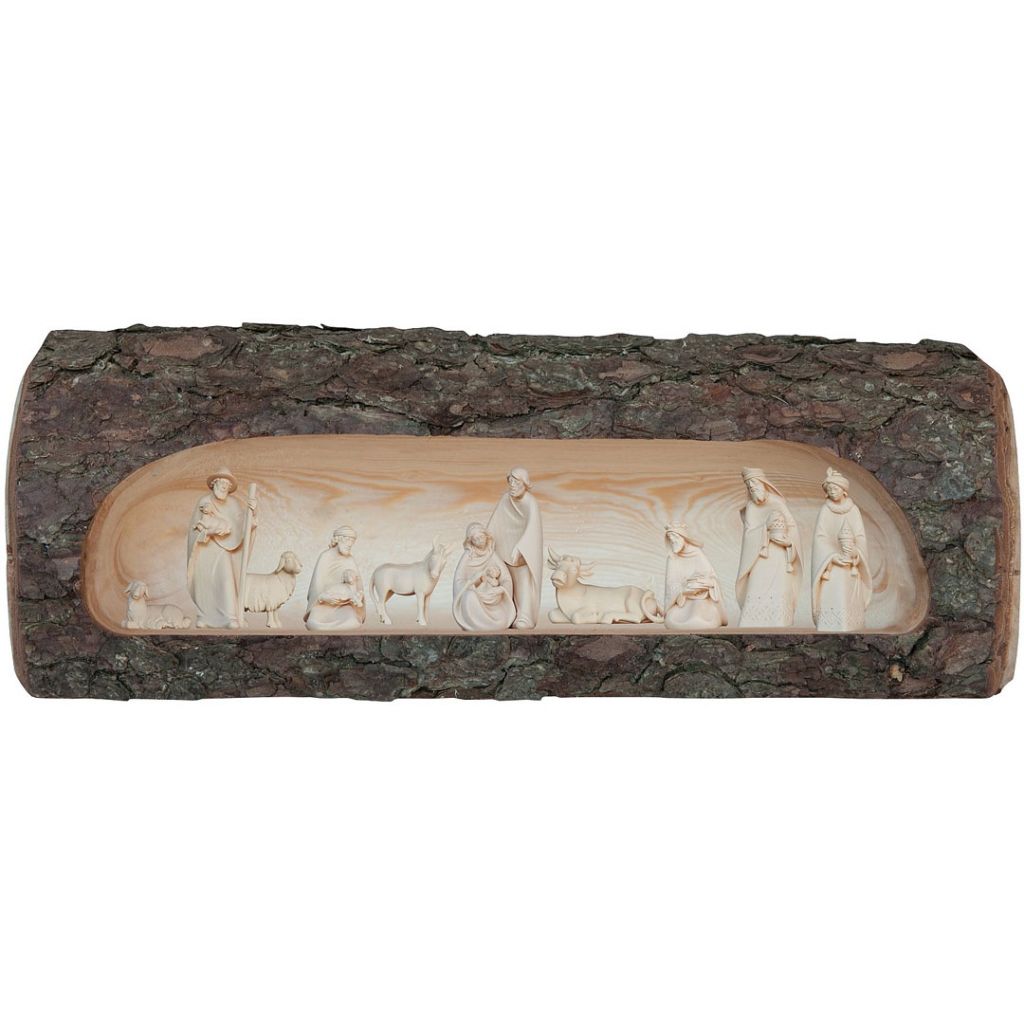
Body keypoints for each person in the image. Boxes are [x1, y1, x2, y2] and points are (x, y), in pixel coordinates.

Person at [186, 468, 257, 628]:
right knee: (204, 581)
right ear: (214, 483)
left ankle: (230, 617)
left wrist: (252, 512)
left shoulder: (233, 503)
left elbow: (242, 524)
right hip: (205, 549)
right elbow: (194, 530)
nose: (224, 486)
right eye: (222, 482)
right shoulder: (204, 501)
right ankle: (204, 616)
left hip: (224, 549)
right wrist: (205, 533)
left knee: (225, 580)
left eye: (227, 484)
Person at [735, 467, 801, 627]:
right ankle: (752, 619)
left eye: (755, 485)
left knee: (780, 584)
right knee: (757, 582)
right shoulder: (752, 507)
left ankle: (780, 619)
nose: (753, 489)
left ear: (764, 484)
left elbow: (792, 527)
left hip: (778, 552)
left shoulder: (776, 502)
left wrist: (787, 541)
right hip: (760, 554)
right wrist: (766, 528)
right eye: (749, 487)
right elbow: (749, 533)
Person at [811, 467, 872, 631]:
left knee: (848, 593)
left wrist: (854, 552)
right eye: (829, 489)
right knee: (834, 589)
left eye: (835, 488)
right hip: (832, 565)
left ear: (844, 490)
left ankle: (852, 622)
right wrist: (832, 556)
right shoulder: (825, 510)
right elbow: (820, 538)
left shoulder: (853, 510)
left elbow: (860, 537)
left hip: (850, 564)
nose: (832, 492)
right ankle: (829, 622)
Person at [486, 467, 543, 629]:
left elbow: (533, 528)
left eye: (516, 482)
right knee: (507, 584)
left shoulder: (530, 502)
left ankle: (525, 616)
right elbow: (495, 523)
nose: (512, 485)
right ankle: (508, 615)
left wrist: (521, 546)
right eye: (510, 481)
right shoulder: (505, 499)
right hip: (504, 550)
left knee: (523, 583)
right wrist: (486, 540)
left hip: (522, 554)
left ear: (525, 484)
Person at [663, 520, 727, 630]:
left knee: (699, 617)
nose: (673, 543)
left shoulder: (697, 553)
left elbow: (711, 578)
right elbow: (671, 585)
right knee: (672, 619)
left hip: (701, 598)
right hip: (682, 601)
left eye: (675, 539)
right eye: (671, 541)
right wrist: (684, 590)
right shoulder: (672, 558)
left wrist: (704, 584)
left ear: (683, 538)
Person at [452, 522, 515, 631]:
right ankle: (478, 623)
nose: (479, 541)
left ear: (486, 536)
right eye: (475, 539)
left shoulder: (492, 555)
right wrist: (472, 582)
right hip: (476, 596)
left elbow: (506, 578)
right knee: (469, 596)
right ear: (470, 541)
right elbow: (458, 580)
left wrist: (502, 589)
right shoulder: (468, 556)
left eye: (481, 537)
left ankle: (493, 622)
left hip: (493, 603)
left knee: (502, 620)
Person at [305, 526, 365, 631]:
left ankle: (329, 627)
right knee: (312, 623)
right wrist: (325, 598)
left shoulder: (350, 559)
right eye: (347, 540)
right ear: (338, 539)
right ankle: (326, 626)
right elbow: (316, 586)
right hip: (323, 605)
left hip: (344, 606)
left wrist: (356, 597)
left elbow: (357, 585)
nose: (350, 544)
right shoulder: (325, 557)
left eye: (352, 541)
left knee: (353, 621)